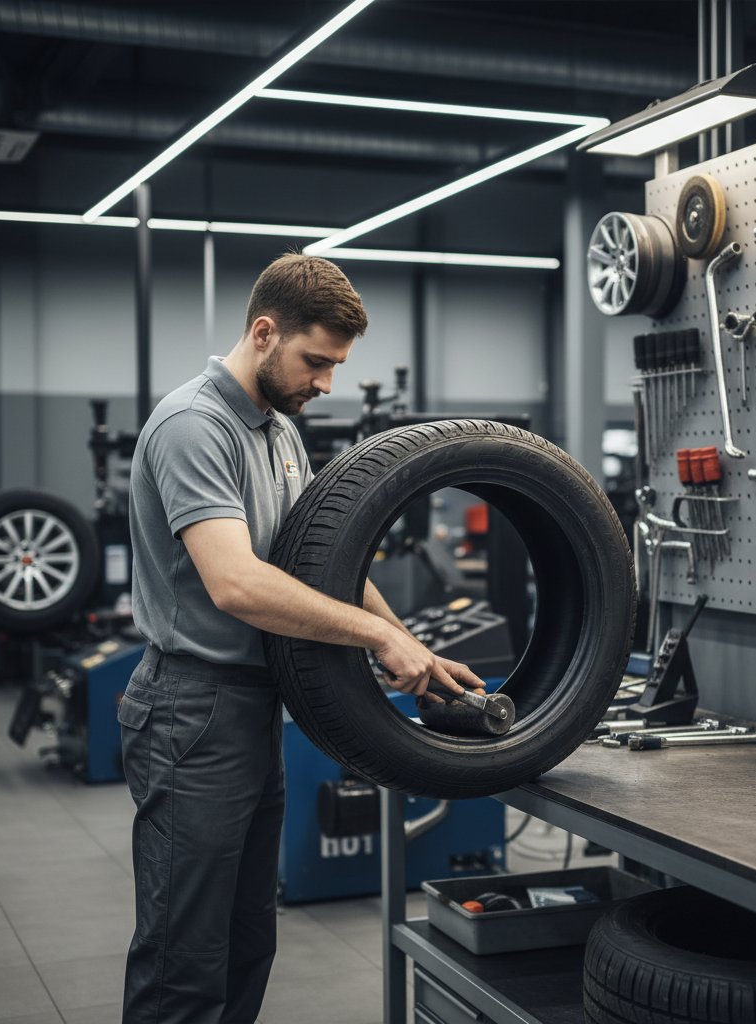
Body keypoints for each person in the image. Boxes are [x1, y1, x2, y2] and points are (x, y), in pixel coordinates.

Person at [118, 253, 484, 1023]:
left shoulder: (281, 430)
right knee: (185, 957)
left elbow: (322, 563)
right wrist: (372, 639)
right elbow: (238, 583)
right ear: (263, 332)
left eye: (336, 366)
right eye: (316, 361)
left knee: (249, 941)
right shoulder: (195, 425)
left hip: (254, 709)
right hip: (191, 712)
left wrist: (404, 639)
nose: (327, 384)